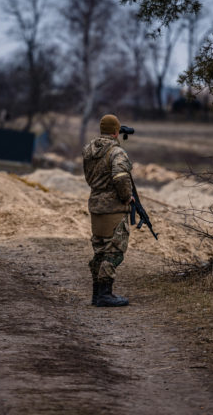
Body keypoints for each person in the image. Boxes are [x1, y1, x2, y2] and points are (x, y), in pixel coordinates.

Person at [82, 114, 133, 307]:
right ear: (115, 131)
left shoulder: (89, 150)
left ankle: (97, 293)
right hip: (113, 209)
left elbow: (90, 177)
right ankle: (105, 294)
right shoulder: (116, 152)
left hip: (96, 205)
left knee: (100, 250)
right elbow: (120, 177)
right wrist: (127, 197)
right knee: (115, 251)